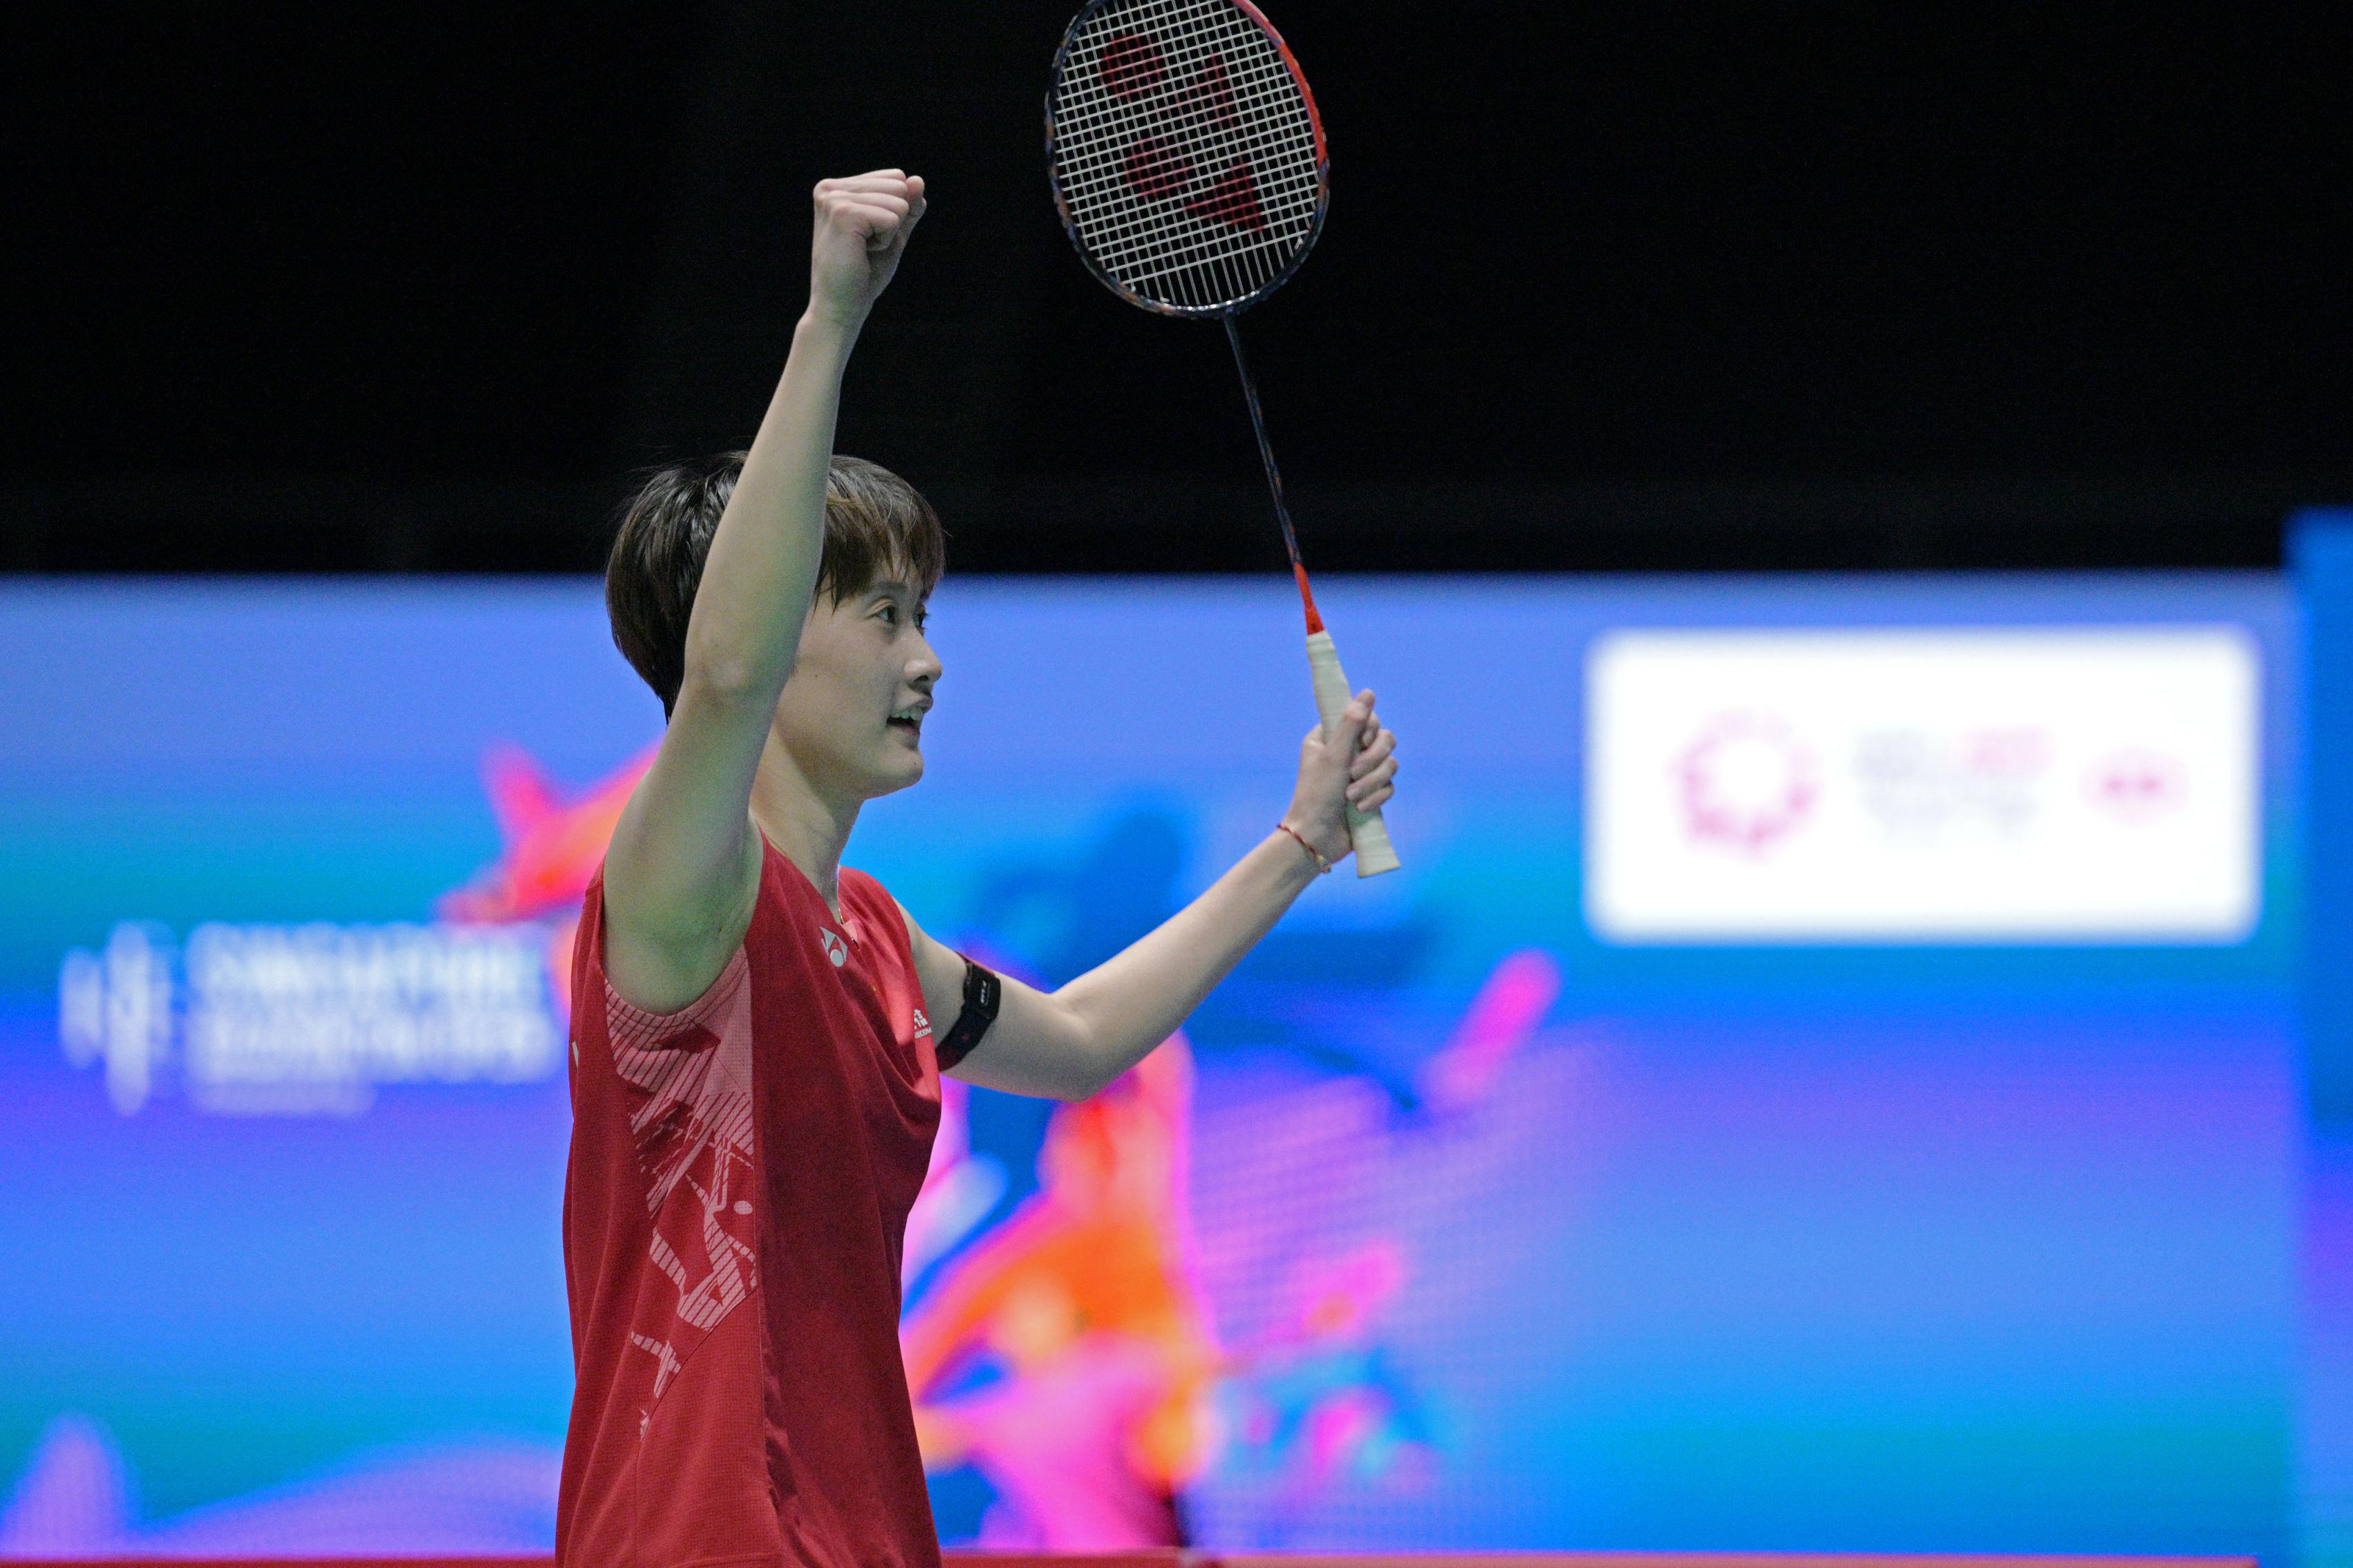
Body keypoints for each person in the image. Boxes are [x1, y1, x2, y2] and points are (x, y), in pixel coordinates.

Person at [555, 169, 1399, 1568]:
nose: (926, 660)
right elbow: (723, 670)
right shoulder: (680, 896)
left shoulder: (873, 939)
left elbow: (1072, 1045)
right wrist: (832, 318)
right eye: (886, 616)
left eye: (923, 616)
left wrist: (1298, 844)